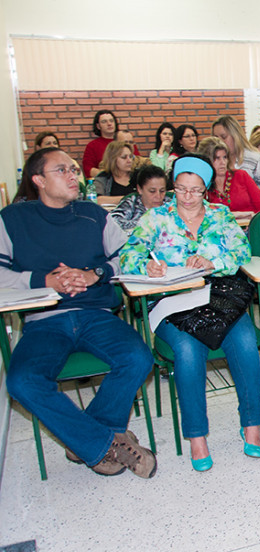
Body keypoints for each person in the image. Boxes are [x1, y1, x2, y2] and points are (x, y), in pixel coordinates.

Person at [1, 147, 156, 478]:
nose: (74, 175)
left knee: (139, 357)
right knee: (21, 382)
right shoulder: (12, 220)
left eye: (74, 169)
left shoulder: (94, 214)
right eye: (63, 171)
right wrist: (42, 280)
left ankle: (86, 440)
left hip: (96, 314)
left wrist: (93, 275)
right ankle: (106, 442)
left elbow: (128, 259)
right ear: (38, 180)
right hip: (43, 321)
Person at [120, 155, 260, 471]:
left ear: (206, 190)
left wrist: (213, 262)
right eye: (181, 189)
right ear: (173, 188)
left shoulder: (221, 214)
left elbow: (242, 252)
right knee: (187, 350)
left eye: (195, 191)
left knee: (244, 342)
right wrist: (147, 266)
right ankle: (197, 436)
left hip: (218, 297)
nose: (187, 197)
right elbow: (127, 256)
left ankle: (251, 425)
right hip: (171, 300)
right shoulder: (156, 219)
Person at [197, 136, 260, 216]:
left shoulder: (241, 175)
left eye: (225, 157)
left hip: (250, 224)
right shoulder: (202, 184)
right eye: (217, 158)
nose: (223, 162)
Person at [212, 115, 260, 197]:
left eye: (224, 137)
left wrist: (256, 195)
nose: (220, 141)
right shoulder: (212, 159)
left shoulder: (254, 157)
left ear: (235, 136)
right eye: (216, 138)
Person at [110, 164, 168, 232]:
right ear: (140, 189)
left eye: (162, 191)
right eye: (152, 191)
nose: (158, 196)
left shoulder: (171, 205)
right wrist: (148, 223)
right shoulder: (131, 203)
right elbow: (113, 221)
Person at [82, 110, 139, 177]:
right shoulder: (92, 146)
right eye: (104, 122)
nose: (109, 124)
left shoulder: (127, 141)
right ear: (98, 126)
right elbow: (88, 169)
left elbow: (137, 161)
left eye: (111, 121)